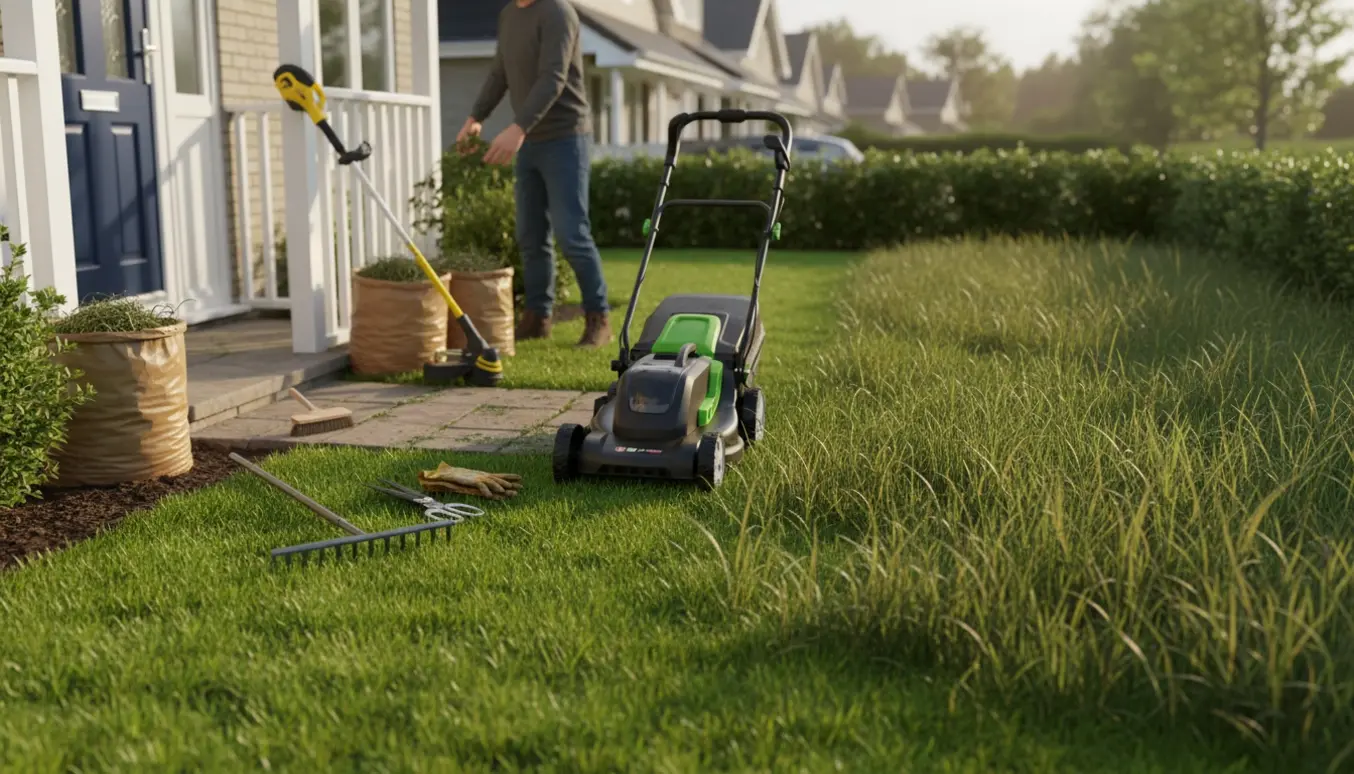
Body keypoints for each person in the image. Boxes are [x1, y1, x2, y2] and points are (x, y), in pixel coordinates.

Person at [456, 0, 611, 348]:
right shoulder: (509, 15)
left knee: (572, 234)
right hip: (530, 141)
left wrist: (518, 127)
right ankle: (538, 317)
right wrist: (476, 117)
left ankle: (598, 316)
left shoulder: (558, 12)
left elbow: (553, 77)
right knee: (531, 234)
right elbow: (500, 73)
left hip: (566, 138)